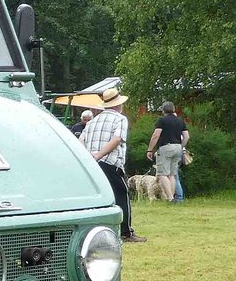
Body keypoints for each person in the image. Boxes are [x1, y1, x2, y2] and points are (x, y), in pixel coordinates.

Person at [80, 87, 146, 243]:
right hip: (110, 163)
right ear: (118, 104)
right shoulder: (120, 119)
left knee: (99, 200)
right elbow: (117, 139)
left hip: (92, 165)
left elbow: (80, 141)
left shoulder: (92, 122)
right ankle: (126, 232)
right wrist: (100, 154)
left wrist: (88, 158)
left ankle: (96, 232)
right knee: (121, 195)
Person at [146, 101, 188, 202]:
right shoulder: (180, 121)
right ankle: (172, 197)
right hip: (178, 147)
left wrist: (150, 149)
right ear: (173, 109)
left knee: (162, 174)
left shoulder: (162, 120)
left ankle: (170, 198)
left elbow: (156, 135)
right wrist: (181, 146)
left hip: (166, 147)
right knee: (172, 174)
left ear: (163, 110)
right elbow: (186, 136)